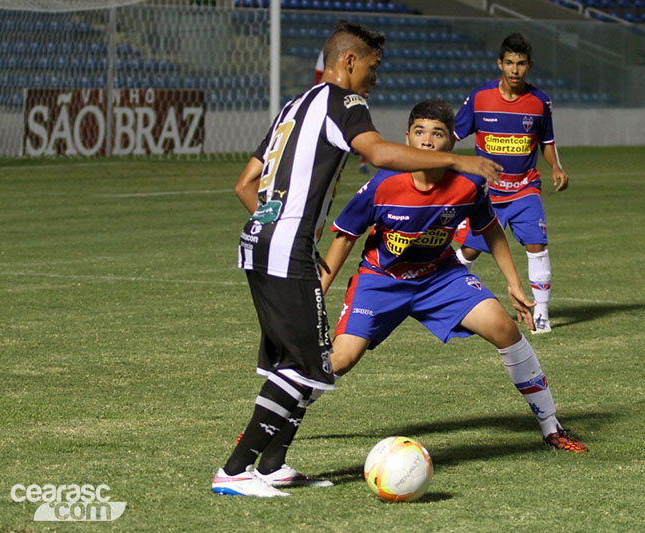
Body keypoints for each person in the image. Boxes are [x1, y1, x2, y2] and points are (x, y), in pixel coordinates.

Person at [211, 21, 502, 499]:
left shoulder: (293, 106)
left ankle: (273, 464)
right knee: (307, 364)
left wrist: (280, 222)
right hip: (286, 252)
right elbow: (379, 153)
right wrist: (454, 160)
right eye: (373, 65)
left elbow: (246, 183)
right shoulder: (343, 101)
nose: (375, 77)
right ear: (349, 62)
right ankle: (235, 470)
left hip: (263, 243)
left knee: (303, 360)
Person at [321, 99, 587, 454]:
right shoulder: (383, 185)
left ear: (452, 142)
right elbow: (344, 237)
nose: (427, 141)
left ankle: (552, 427)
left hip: (440, 277)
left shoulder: (468, 184)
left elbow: (489, 227)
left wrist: (513, 282)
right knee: (342, 358)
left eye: (437, 133)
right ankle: (275, 422)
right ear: (407, 137)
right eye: (419, 132)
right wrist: (317, 292)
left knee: (505, 329)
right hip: (381, 279)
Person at [453, 32, 568, 334]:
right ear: (499, 64)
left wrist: (556, 166)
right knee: (469, 251)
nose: (515, 70)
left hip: (524, 188)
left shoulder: (540, 101)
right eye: (509, 63)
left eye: (521, 64)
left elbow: (547, 140)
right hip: (487, 192)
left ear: (529, 65)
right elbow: (452, 135)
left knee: (537, 244)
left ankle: (541, 313)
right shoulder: (480, 98)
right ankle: (446, 297)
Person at [316, 50, 371, 174]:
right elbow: (378, 155)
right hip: (331, 100)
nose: (375, 80)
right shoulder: (328, 51)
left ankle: (363, 163)